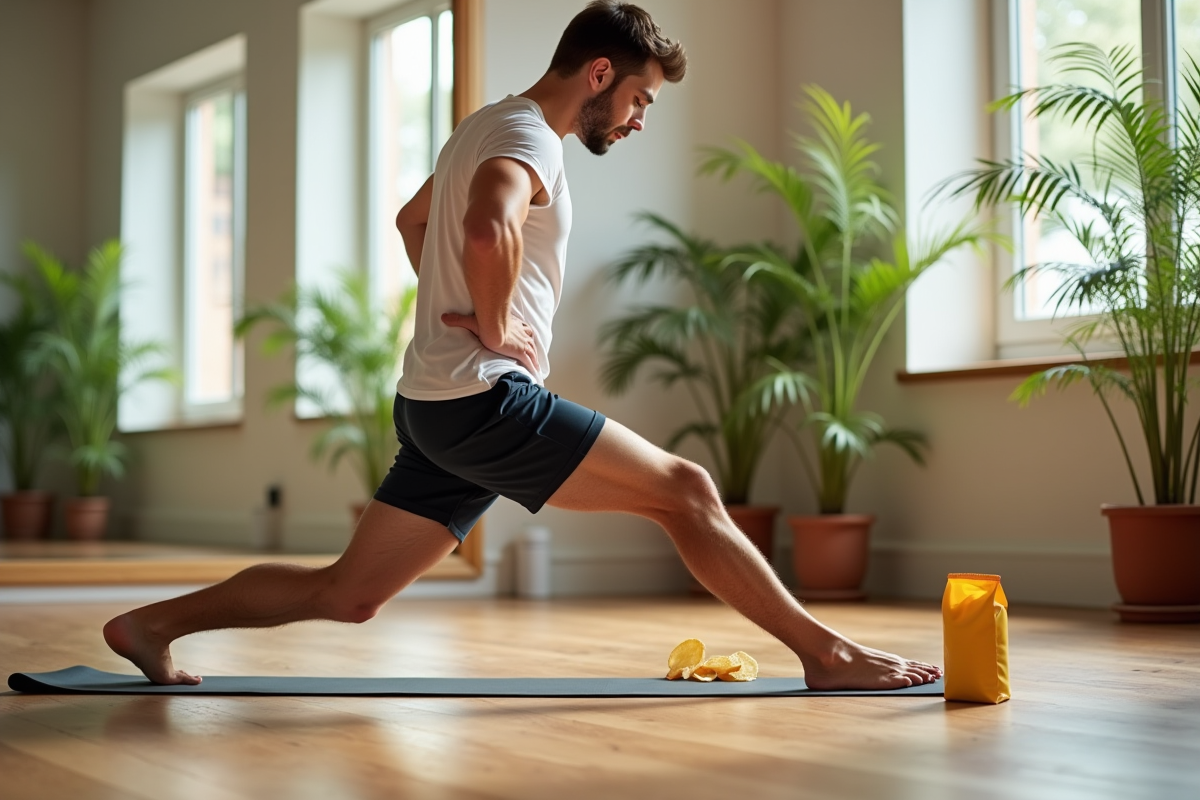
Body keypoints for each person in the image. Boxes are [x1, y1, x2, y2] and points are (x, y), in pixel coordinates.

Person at [104, 0, 942, 691]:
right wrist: (498, 326)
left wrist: (463, 309)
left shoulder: (484, 124)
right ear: (601, 74)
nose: (642, 117)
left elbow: (412, 220)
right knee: (686, 491)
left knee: (348, 594)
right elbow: (484, 221)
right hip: (483, 400)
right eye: (642, 98)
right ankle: (827, 655)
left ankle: (151, 624)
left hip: (435, 405)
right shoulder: (530, 136)